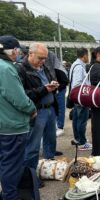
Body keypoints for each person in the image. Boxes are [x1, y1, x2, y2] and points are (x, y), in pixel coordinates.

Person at [0, 35, 37, 200]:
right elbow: (19, 99)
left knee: (4, 164)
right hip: (11, 126)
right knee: (11, 167)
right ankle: (10, 196)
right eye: (17, 50)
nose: (18, 53)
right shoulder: (6, 68)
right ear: (12, 50)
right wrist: (32, 109)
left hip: (2, 123)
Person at [17, 43, 59, 183]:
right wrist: (44, 89)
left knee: (50, 139)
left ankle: (47, 166)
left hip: (49, 108)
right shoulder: (21, 69)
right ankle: (30, 178)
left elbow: (48, 80)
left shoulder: (44, 66)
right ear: (30, 54)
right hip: (36, 110)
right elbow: (22, 95)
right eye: (40, 58)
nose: (43, 61)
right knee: (32, 146)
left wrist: (53, 84)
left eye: (45, 58)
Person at [70, 48, 92, 151]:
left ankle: (77, 139)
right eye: (87, 55)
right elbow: (77, 83)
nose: (88, 57)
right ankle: (82, 143)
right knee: (82, 119)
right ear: (84, 56)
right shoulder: (79, 67)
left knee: (76, 118)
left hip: (76, 96)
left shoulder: (75, 64)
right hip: (81, 97)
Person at [45, 51, 68, 137]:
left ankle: (60, 126)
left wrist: (57, 89)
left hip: (59, 90)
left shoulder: (58, 68)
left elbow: (65, 81)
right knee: (54, 109)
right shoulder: (46, 67)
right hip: (52, 90)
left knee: (60, 108)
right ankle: (56, 125)